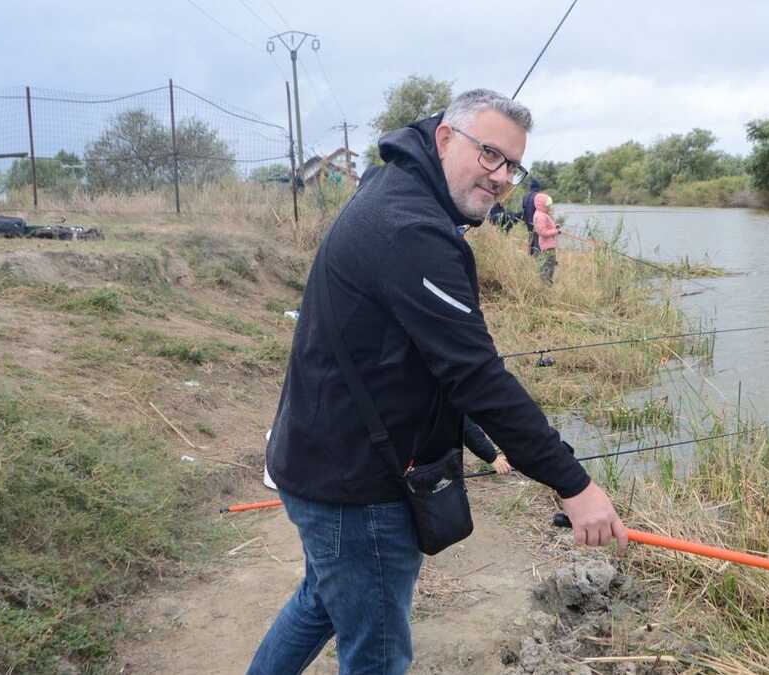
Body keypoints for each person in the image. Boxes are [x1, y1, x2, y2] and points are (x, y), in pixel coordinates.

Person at [250, 89, 626, 675]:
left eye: (512, 164)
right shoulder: (411, 229)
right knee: (377, 653)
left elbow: (430, 359)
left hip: (319, 457)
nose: (501, 177)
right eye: (490, 155)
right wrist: (573, 486)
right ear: (446, 139)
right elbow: (477, 378)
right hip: (357, 487)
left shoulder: (392, 183)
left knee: (322, 600)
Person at [533, 193, 560, 284]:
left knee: (550, 266)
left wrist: (555, 227)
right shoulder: (541, 216)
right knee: (548, 267)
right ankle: (546, 286)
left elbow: (546, 227)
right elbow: (543, 232)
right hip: (547, 246)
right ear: (542, 205)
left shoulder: (542, 213)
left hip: (548, 245)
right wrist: (556, 231)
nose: (550, 207)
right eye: (548, 206)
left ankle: (546, 285)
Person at [522, 177, 542, 255]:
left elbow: (523, 209)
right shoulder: (539, 196)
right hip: (537, 223)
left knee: (531, 239)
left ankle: (530, 256)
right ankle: (537, 258)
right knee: (538, 241)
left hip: (528, 223)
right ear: (538, 187)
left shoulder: (525, 196)